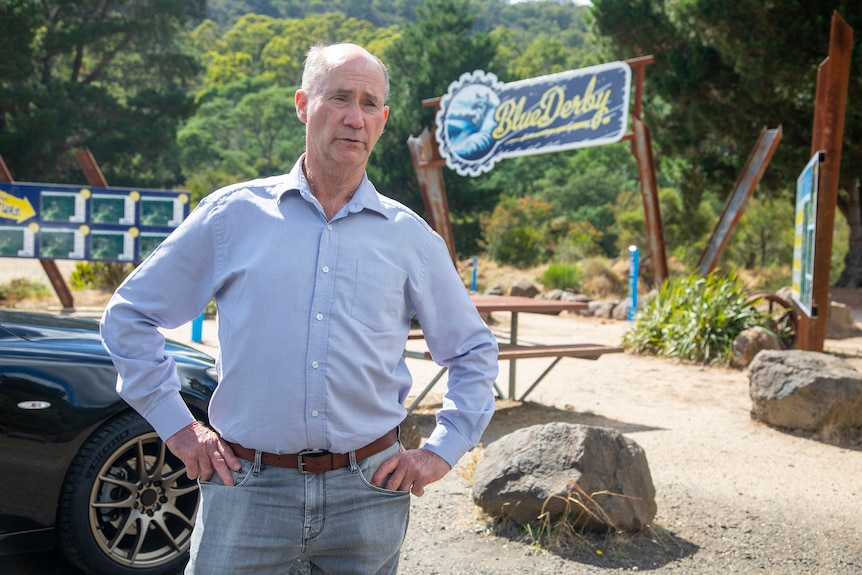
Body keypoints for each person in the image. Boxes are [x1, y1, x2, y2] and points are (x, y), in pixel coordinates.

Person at [100, 42, 498, 574]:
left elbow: (473, 350)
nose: (354, 117)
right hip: (246, 489)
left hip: (369, 493)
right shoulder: (231, 217)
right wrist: (178, 427)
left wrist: (442, 450)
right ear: (302, 104)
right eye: (338, 98)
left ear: (382, 120)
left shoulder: (411, 239)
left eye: (369, 103)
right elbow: (129, 317)